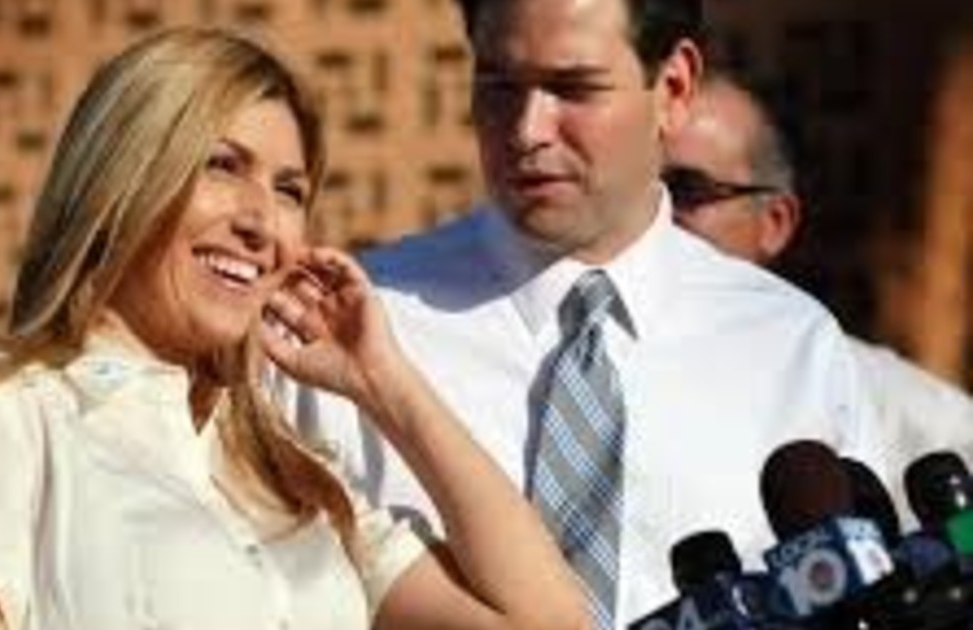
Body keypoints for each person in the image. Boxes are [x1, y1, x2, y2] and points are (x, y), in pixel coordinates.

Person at [0, 27, 592, 630]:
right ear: (124, 177)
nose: (261, 223)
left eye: (289, 190)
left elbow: (551, 623)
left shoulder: (306, 485)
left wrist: (385, 384)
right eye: (222, 166)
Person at [290, 0, 887, 626]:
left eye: (574, 88)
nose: (528, 130)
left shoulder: (791, 348)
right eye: (498, 86)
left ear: (673, 88)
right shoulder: (350, 328)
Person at [663, 71, 973, 511]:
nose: (653, 216)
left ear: (774, 223)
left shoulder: (895, 409)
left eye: (685, 191)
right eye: (637, 193)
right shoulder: (574, 388)